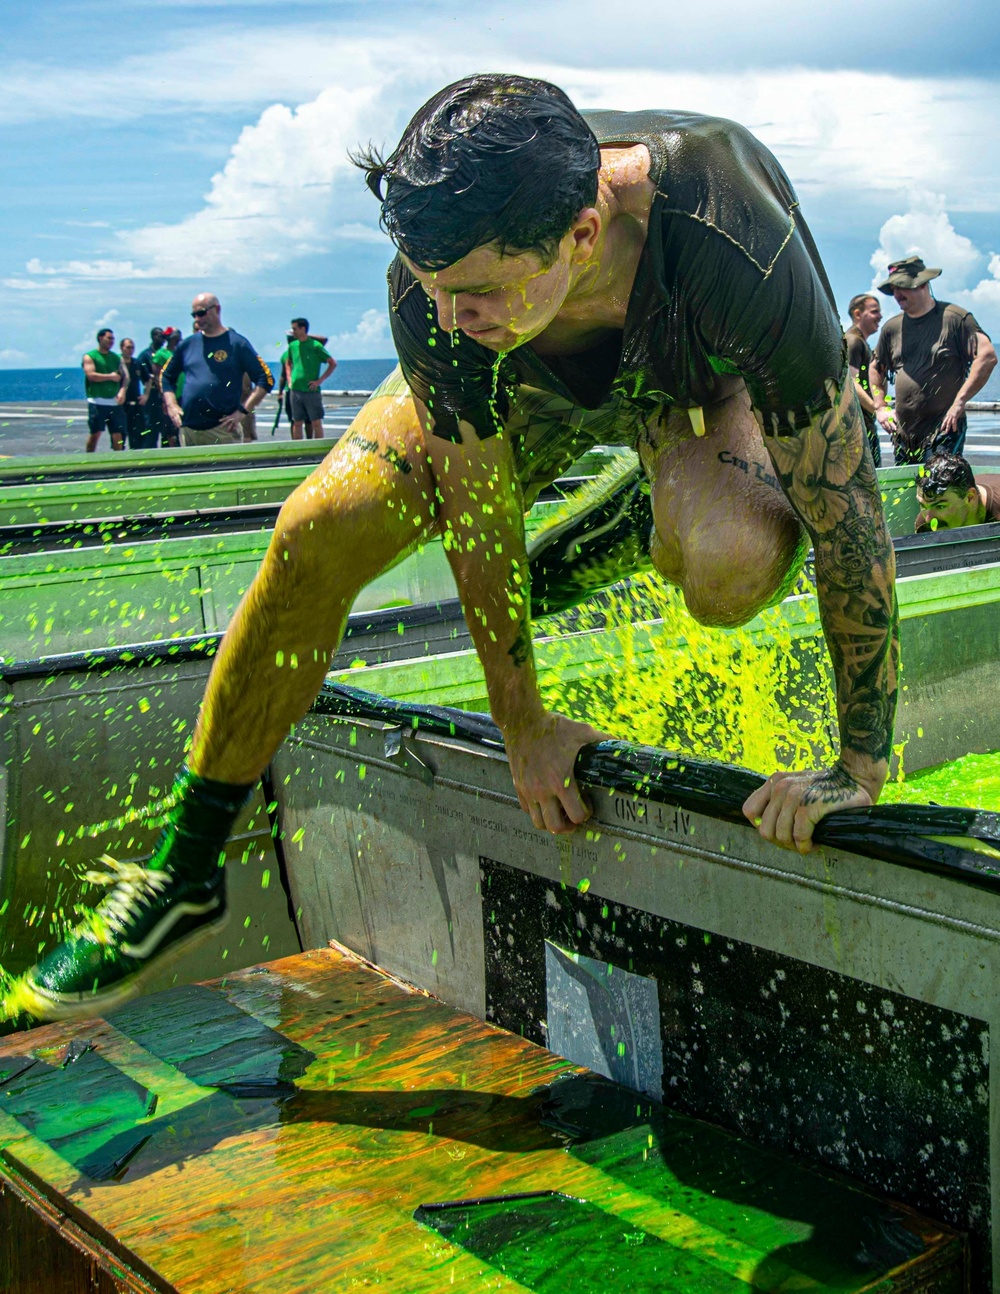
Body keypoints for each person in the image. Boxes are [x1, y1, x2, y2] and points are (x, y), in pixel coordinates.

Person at [14, 76, 899, 1022]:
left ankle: (660, 503)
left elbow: (846, 507)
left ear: (583, 236)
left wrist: (858, 767)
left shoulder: (732, 239)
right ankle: (182, 871)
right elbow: (476, 510)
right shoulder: (442, 292)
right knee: (316, 532)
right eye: (433, 293)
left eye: (470, 293)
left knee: (727, 565)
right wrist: (523, 721)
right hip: (534, 364)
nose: (443, 320)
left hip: (696, 376)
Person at [869, 256, 997, 465]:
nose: (897, 294)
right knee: (908, 492)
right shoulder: (892, 329)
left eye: (902, 286)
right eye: (893, 288)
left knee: (939, 490)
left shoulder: (954, 318)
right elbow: (876, 369)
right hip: (904, 434)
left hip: (944, 429)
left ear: (923, 285)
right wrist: (880, 406)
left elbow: (987, 356)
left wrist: (960, 402)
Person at [161, 294, 273, 446]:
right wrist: (171, 405)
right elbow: (166, 376)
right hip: (188, 429)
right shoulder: (187, 345)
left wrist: (242, 411)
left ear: (217, 309)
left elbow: (265, 379)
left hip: (222, 429)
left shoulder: (237, 343)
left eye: (201, 313)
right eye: (194, 315)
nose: (197, 319)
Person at [914, 453, 1000, 531]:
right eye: (923, 506)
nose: (928, 519)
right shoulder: (924, 526)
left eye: (940, 506)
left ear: (970, 497)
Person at [281, 318, 336, 439]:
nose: (293, 331)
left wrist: (319, 381)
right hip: (295, 390)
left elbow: (332, 363)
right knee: (297, 422)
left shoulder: (315, 346)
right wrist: (289, 379)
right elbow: (288, 362)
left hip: (311, 390)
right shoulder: (292, 346)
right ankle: (298, 452)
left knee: (316, 422)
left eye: (295, 329)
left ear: (303, 329)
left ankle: (318, 449)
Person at [844, 293, 882, 467]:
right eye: (874, 311)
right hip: (858, 428)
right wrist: (878, 409)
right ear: (858, 314)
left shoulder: (860, 342)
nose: (880, 316)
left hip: (862, 424)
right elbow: (851, 383)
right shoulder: (853, 341)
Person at [82, 328, 125, 452]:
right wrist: (110, 376)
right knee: (95, 433)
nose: (112, 341)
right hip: (97, 401)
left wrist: (122, 391)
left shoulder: (116, 357)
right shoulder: (90, 356)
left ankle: (119, 459)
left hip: (114, 402)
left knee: (117, 434)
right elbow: (91, 375)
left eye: (113, 339)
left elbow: (125, 377)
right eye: (109, 338)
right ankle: (89, 459)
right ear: (100, 338)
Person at [118, 338, 153, 450]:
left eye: (132, 347)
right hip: (121, 404)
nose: (130, 350)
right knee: (120, 435)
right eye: (128, 347)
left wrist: (146, 395)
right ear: (121, 348)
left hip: (135, 403)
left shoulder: (137, 363)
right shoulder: (116, 363)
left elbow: (148, 379)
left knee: (138, 435)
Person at [136, 327, 168, 448]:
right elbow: (140, 374)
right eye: (159, 336)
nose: (162, 339)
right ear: (153, 337)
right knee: (151, 426)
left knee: (166, 427)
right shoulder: (145, 355)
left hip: (165, 393)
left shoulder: (167, 353)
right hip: (152, 394)